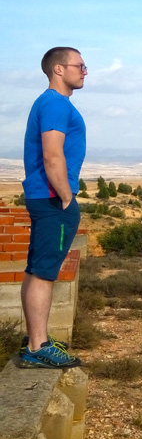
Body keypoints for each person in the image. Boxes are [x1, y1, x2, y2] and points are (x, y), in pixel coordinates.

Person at [17, 47, 87, 369]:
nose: (85, 71)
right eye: (80, 65)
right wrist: (66, 197)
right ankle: (38, 346)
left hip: (43, 196)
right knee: (44, 274)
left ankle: (37, 338)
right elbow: (52, 155)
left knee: (35, 270)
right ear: (59, 69)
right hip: (51, 198)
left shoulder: (49, 103)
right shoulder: (56, 104)